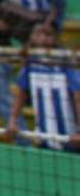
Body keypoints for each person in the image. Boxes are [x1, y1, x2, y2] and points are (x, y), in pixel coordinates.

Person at [7, 21, 80, 150]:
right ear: (32, 36)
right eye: (38, 34)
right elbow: (21, 93)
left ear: (56, 37)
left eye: (48, 34)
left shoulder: (66, 61)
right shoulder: (30, 61)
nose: (43, 38)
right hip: (43, 135)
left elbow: (78, 96)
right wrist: (13, 119)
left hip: (69, 136)